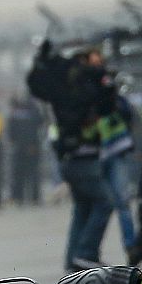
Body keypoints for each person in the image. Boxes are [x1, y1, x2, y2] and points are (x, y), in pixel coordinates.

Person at [26, 41, 118, 271]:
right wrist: (103, 79)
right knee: (104, 202)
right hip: (81, 156)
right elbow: (95, 100)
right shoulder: (76, 89)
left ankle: (74, 258)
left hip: (73, 157)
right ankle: (86, 252)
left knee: (83, 207)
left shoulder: (63, 90)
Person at [99, 90, 142, 256]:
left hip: (116, 150)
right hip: (95, 153)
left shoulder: (113, 94)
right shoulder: (82, 93)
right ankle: (89, 252)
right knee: (101, 204)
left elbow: (128, 114)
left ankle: (131, 245)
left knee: (123, 201)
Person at [5, 94, 44, 205]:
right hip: (32, 146)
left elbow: (11, 132)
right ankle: (35, 198)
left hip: (18, 147)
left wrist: (14, 142)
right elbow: (40, 123)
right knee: (33, 173)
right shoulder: (34, 112)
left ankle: (19, 198)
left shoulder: (14, 113)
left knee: (19, 174)